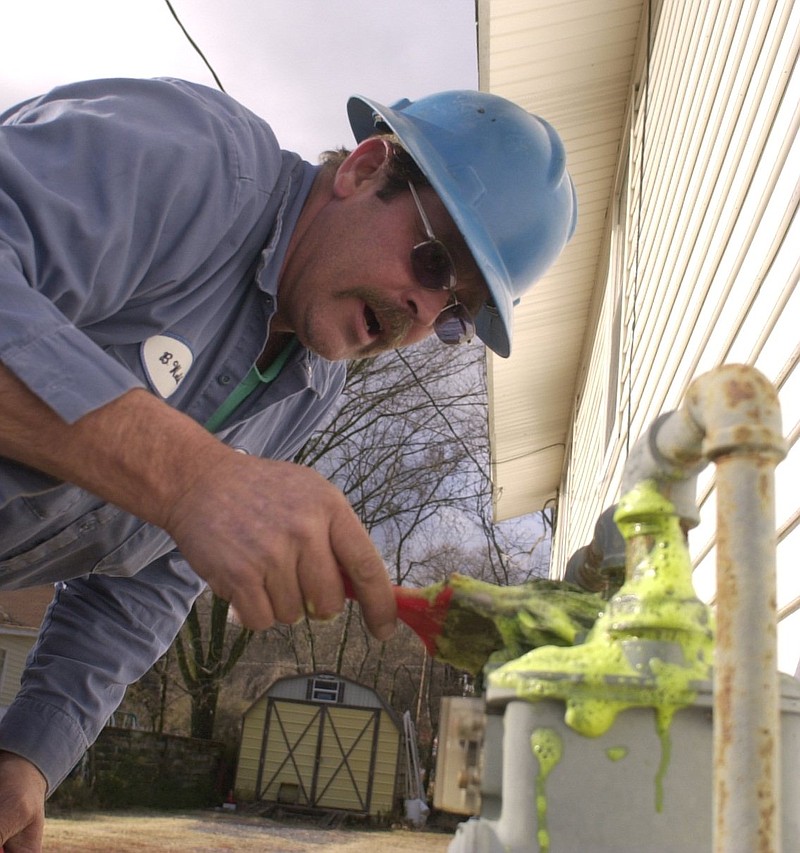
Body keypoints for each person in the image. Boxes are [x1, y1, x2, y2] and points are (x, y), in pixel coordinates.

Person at [0, 77, 576, 850]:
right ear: (365, 168)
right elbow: (193, 493)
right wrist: (191, 476)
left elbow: (143, 585)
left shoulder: (309, 388)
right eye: (436, 264)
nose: (419, 319)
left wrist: (28, 756)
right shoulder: (192, 159)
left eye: (453, 318)